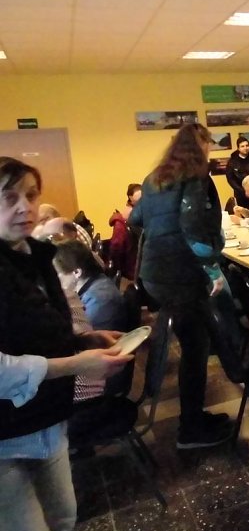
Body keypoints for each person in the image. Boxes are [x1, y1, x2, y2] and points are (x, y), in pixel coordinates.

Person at [0, 156, 132, 531]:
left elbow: (41, 333)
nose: (24, 206)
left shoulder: (34, 258)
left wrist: (82, 341)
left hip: (50, 419)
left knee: (63, 522)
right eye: (8, 198)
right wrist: (77, 363)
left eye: (30, 195)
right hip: (6, 435)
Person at [130, 123, 236, 449]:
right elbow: (193, 228)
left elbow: (135, 221)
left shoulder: (153, 180)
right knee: (196, 349)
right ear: (200, 146)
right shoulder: (196, 178)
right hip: (180, 276)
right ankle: (190, 429)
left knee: (194, 343)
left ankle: (194, 417)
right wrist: (213, 269)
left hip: (154, 276)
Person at [54, 240, 125, 331]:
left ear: (76, 272)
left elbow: (86, 335)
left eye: (57, 273)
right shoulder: (96, 280)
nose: (55, 279)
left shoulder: (99, 300)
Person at [108, 183, 142, 281]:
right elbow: (116, 248)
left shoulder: (132, 215)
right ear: (130, 198)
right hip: (133, 269)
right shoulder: (124, 220)